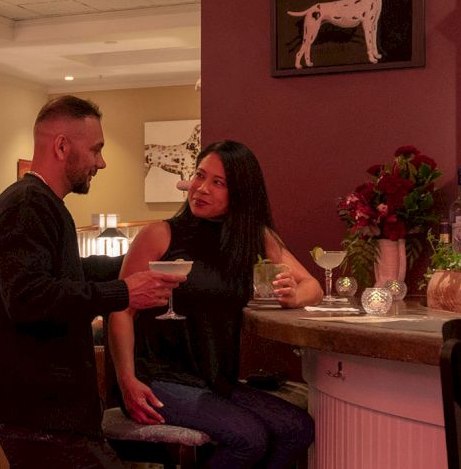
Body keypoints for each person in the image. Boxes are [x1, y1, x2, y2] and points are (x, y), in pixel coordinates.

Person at [0, 95, 186, 467]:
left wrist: (141, 259)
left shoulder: (42, 205)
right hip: (40, 412)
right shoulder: (27, 206)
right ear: (61, 146)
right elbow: (27, 298)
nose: (101, 162)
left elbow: (67, 272)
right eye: (96, 150)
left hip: (50, 411)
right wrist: (122, 291)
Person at [109, 140, 320, 469]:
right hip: (157, 378)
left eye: (218, 183)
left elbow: (313, 287)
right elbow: (120, 309)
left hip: (214, 378)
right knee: (249, 438)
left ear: (241, 193)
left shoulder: (254, 238)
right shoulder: (160, 234)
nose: (201, 188)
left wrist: (293, 295)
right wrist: (126, 381)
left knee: (297, 429)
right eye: (199, 176)